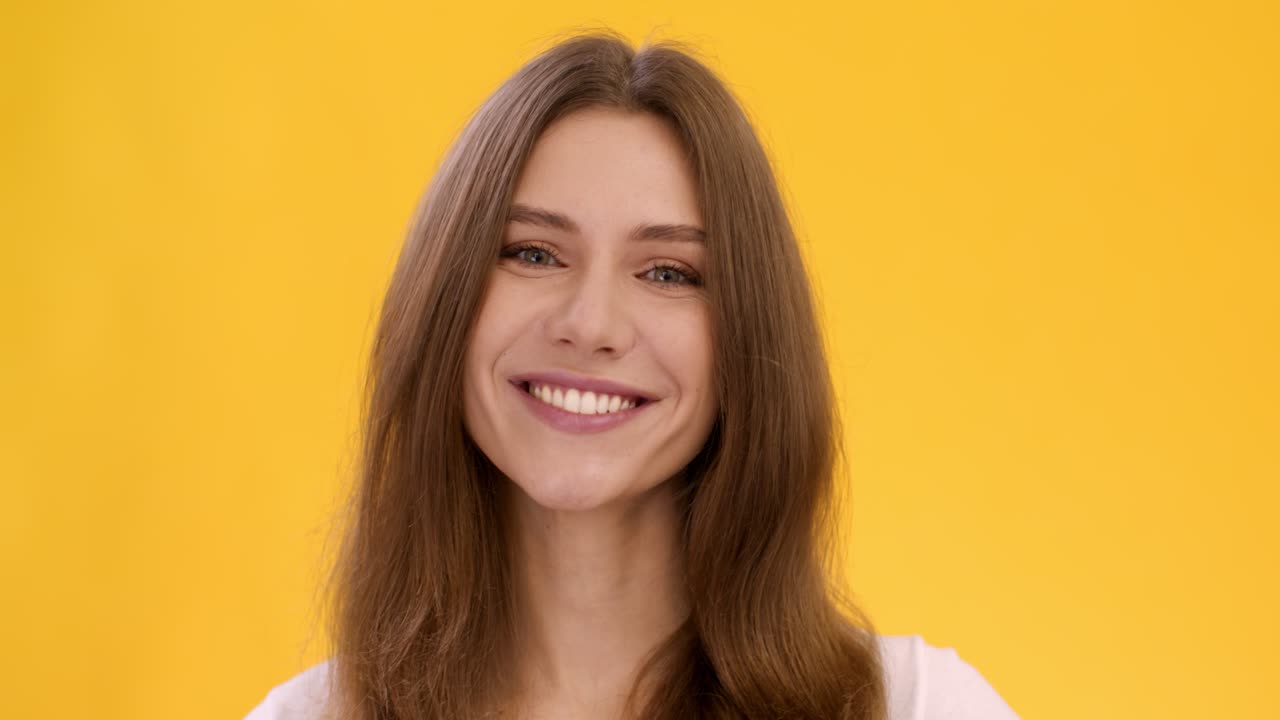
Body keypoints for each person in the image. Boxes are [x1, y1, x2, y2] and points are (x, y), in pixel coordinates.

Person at [244, 31, 1020, 720]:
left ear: (746, 335)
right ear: (444, 300)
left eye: (668, 272)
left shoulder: (917, 708)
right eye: (534, 254)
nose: (591, 325)